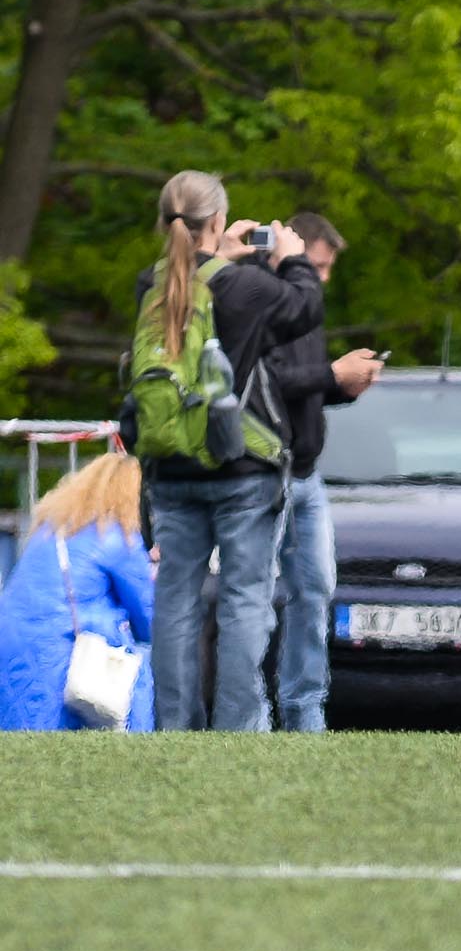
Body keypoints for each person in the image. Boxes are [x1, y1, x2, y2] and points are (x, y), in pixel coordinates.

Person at [129, 170, 325, 732]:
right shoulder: (245, 288)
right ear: (217, 219)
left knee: (176, 598)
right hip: (239, 466)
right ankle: (235, 728)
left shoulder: (150, 285)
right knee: (243, 597)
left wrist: (220, 255)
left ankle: (175, 725)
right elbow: (305, 308)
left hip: (170, 467)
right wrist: (292, 258)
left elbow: (194, 278)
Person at [266, 211, 385, 733]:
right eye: (317, 266)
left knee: (315, 594)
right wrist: (331, 373)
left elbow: (303, 387)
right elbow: (263, 385)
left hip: (307, 475)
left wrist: (341, 385)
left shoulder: (307, 308)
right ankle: (253, 716)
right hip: (267, 476)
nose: (323, 278)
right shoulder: (262, 302)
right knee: (256, 600)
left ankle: (305, 715)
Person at [0, 452, 155, 731]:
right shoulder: (117, 538)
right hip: (65, 655)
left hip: (14, 648)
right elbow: (150, 620)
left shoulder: (49, 529)